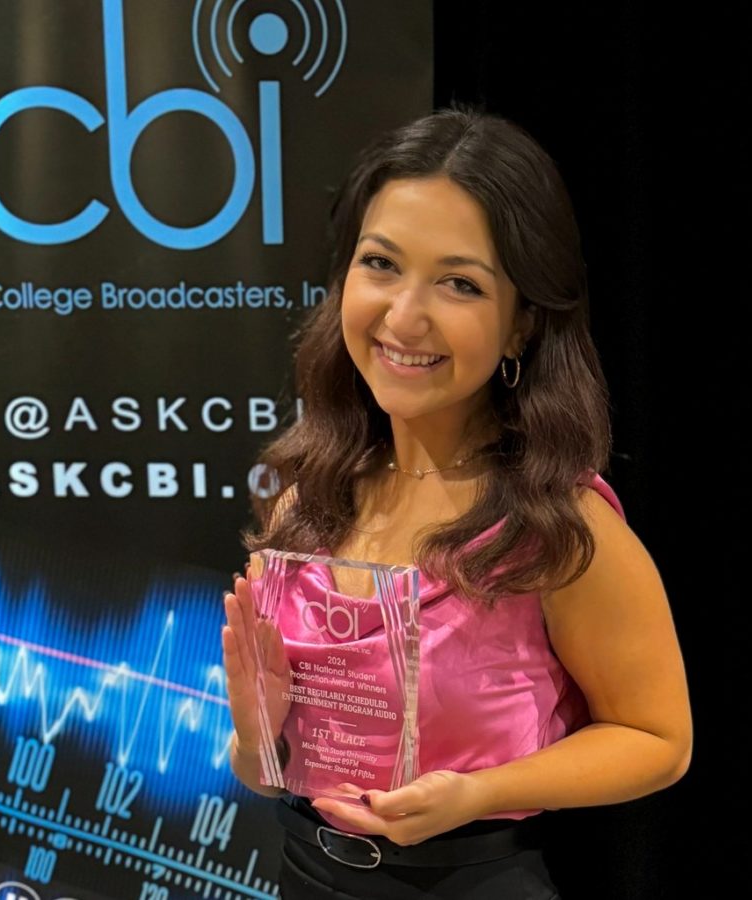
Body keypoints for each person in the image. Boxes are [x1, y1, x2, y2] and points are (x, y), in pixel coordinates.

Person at [221, 107, 692, 899]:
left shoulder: (560, 527)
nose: (404, 316)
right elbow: (265, 776)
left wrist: (478, 793)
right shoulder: (306, 502)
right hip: (302, 876)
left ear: (521, 327)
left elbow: (658, 739)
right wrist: (257, 734)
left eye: (460, 283)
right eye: (381, 265)